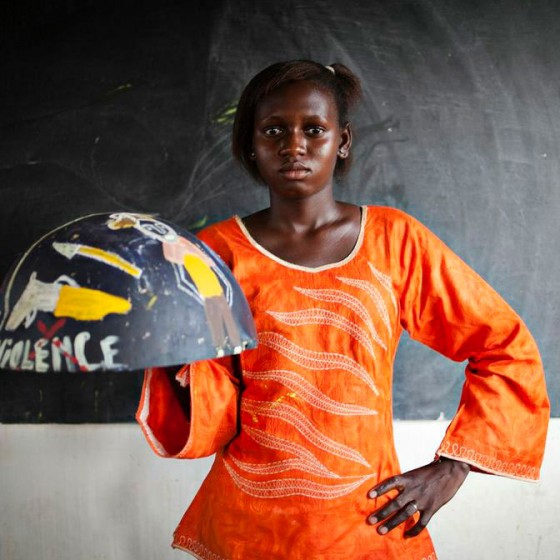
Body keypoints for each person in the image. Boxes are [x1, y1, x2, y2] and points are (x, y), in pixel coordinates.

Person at [136, 60, 549, 559]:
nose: (294, 145)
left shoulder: (395, 243)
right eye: (273, 130)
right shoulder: (213, 256)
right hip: (248, 527)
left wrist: (451, 469)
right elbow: (217, 398)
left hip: (366, 524)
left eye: (313, 128)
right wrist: (176, 360)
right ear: (250, 143)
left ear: (343, 140)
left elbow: (504, 345)